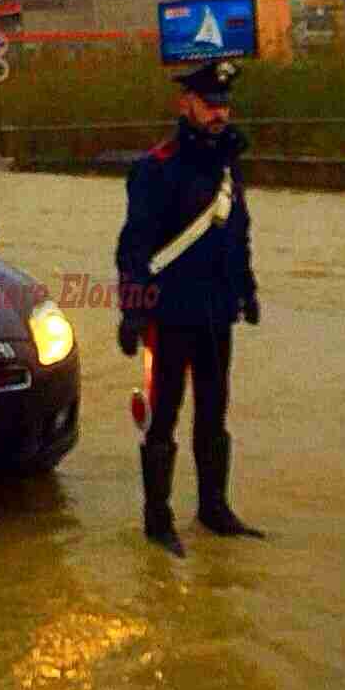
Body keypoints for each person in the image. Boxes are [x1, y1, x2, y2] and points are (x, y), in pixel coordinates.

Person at [115, 58, 264, 557]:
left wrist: (247, 289)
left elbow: (236, 231)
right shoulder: (156, 168)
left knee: (214, 412)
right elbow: (134, 248)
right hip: (168, 315)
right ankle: (158, 520)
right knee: (163, 418)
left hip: (216, 313)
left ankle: (213, 509)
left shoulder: (228, 163)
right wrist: (133, 310)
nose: (220, 113)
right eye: (210, 104)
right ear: (187, 104)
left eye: (224, 104)